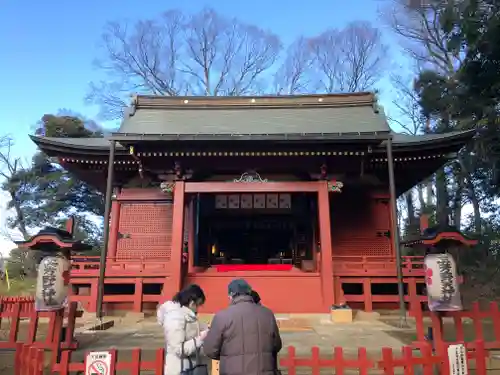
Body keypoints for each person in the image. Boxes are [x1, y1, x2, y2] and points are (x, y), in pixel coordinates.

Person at [203, 279, 282, 375]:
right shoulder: (267, 314)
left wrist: (230, 356)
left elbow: (210, 350)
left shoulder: (222, 316)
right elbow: (276, 345)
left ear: (231, 295)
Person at [157, 284, 209, 375]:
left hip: (189, 367)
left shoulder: (186, 315)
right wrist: (200, 339)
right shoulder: (175, 318)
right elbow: (178, 349)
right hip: (179, 370)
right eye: (198, 305)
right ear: (192, 303)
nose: (198, 309)